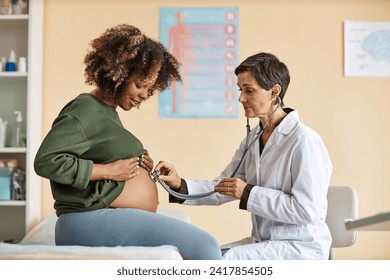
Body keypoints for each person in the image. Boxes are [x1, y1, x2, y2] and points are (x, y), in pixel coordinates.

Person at [34, 24, 221, 260]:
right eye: (140, 85)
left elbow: (97, 151)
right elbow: (47, 161)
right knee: (206, 248)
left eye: (150, 89)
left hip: (97, 216)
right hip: (86, 219)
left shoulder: (106, 112)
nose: (144, 94)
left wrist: (139, 164)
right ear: (117, 75)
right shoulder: (84, 110)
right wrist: (109, 171)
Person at [155, 52, 333, 260]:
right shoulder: (253, 138)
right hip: (265, 243)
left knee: (217, 263)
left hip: (300, 247)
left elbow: (306, 210)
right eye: (240, 90)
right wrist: (180, 185)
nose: (241, 98)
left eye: (249, 90)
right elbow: (226, 186)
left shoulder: (304, 141)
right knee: (204, 255)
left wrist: (248, 193)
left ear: (274, 92)